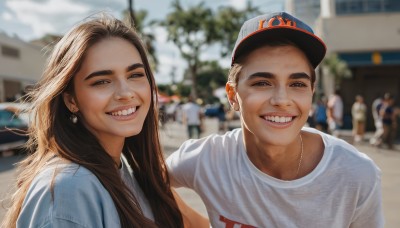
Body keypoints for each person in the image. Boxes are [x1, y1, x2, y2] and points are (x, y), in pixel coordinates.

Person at [166, 11, 383, 227]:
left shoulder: (355, 174)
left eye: (297, 84)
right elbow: (144, 181)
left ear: (311, 93)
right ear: (233, 96)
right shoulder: (208, 159)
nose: (282, 100)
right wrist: (196, 223)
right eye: (262, 82)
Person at [1, 14, 208, 228]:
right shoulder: (69, 189)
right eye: (101, 81)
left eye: (135, 75)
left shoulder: (123, 169)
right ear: (71, 100)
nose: (125, 93)